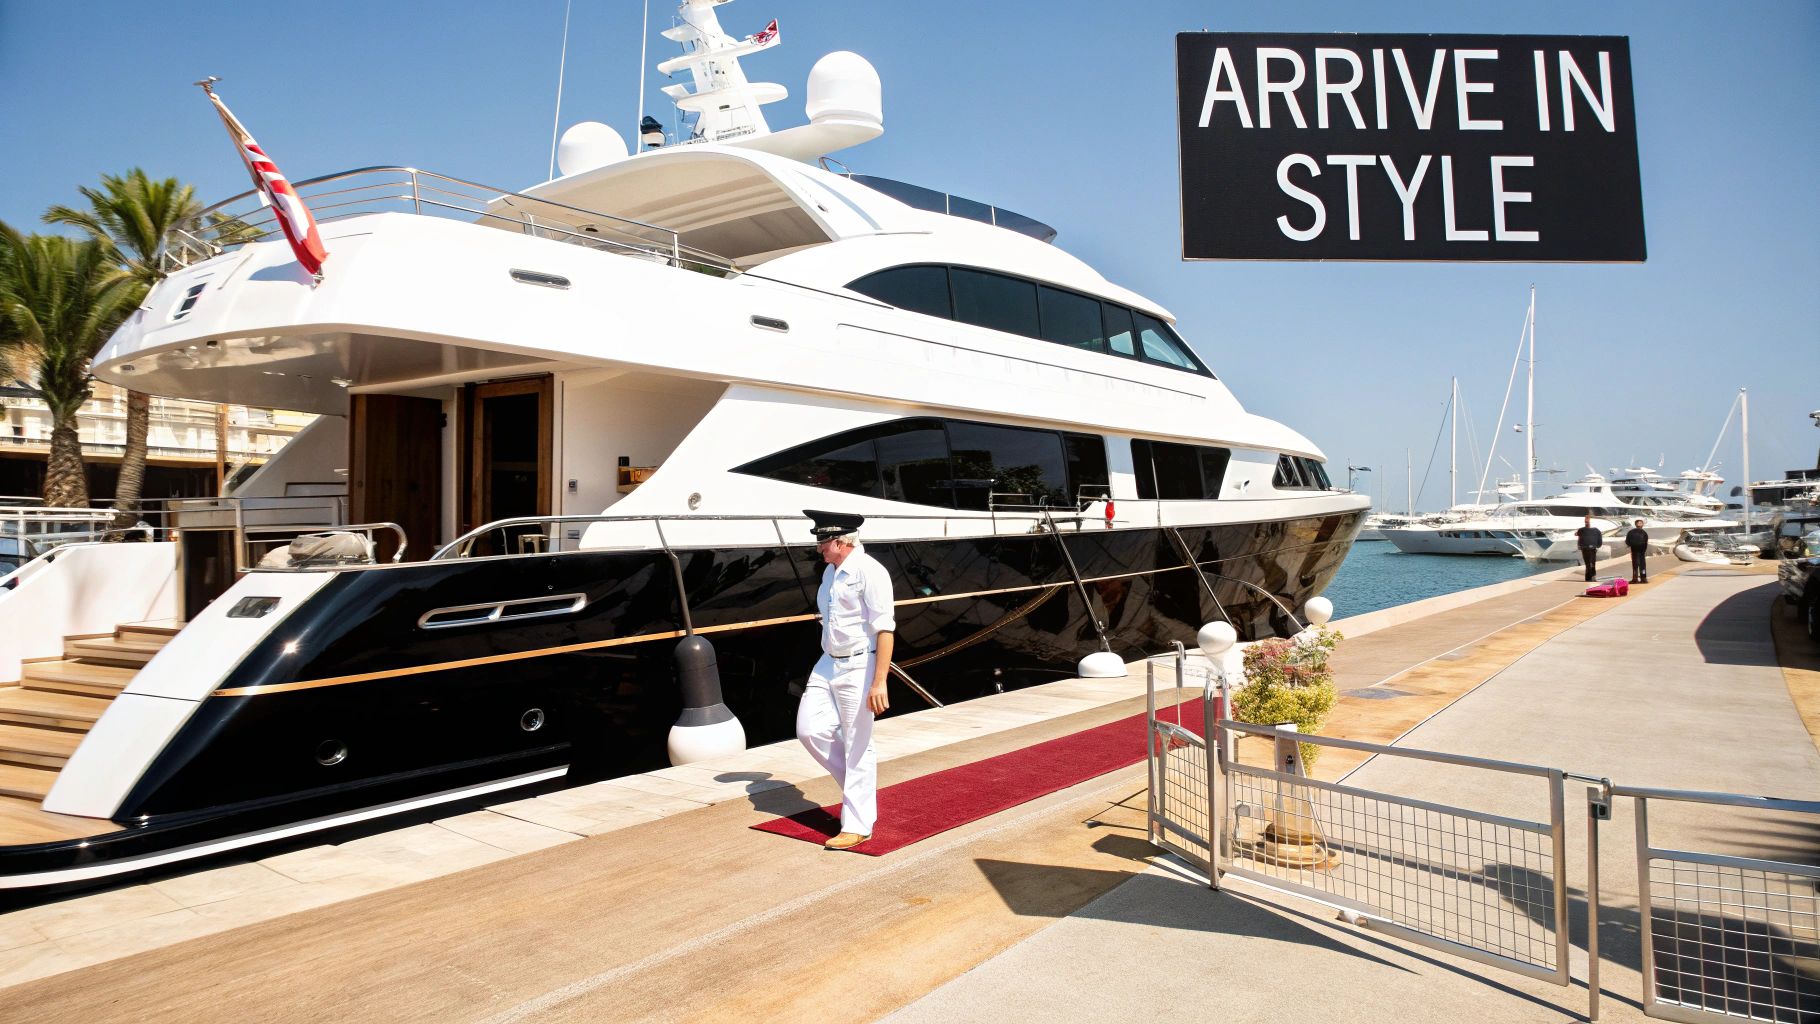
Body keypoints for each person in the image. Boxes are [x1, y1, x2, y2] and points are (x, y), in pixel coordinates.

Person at [796, 509, 897, 851]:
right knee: (809, 729)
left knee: (857, 744)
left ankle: (857, 825)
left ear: (841, 542)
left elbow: (885, 629)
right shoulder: (830, 572)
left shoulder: (871, 571)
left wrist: (879, 681)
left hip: (859, 664)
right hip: (828, 662)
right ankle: (860, 789)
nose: (819, 548)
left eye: (823, 542)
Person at [1575, 515, 1604, 583]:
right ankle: (1590, 577)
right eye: (1586, 521)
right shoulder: (1582, 530)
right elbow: (1578, 536)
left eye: (1587, 521)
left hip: (1590, 548)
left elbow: (1599, 538)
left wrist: (1598, 545)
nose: (1586, 522)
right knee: (1589, 563)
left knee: (1590, 563)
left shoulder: (1594, 530)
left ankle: (1590, 577)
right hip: (1586, 548)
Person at [1625, 519, 1651, 584]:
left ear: (1635, 525)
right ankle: (1643, 579)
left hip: (1634, 550)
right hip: (1642, 551)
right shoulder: (1644, 533)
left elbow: (1627, 541)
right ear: (1642, 525)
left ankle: (1635, 579)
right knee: (1642, 565)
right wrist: (1644, 550)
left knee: (1635, 565)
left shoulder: (1631, 532)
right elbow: (1646, 542)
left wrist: (1631, 545)